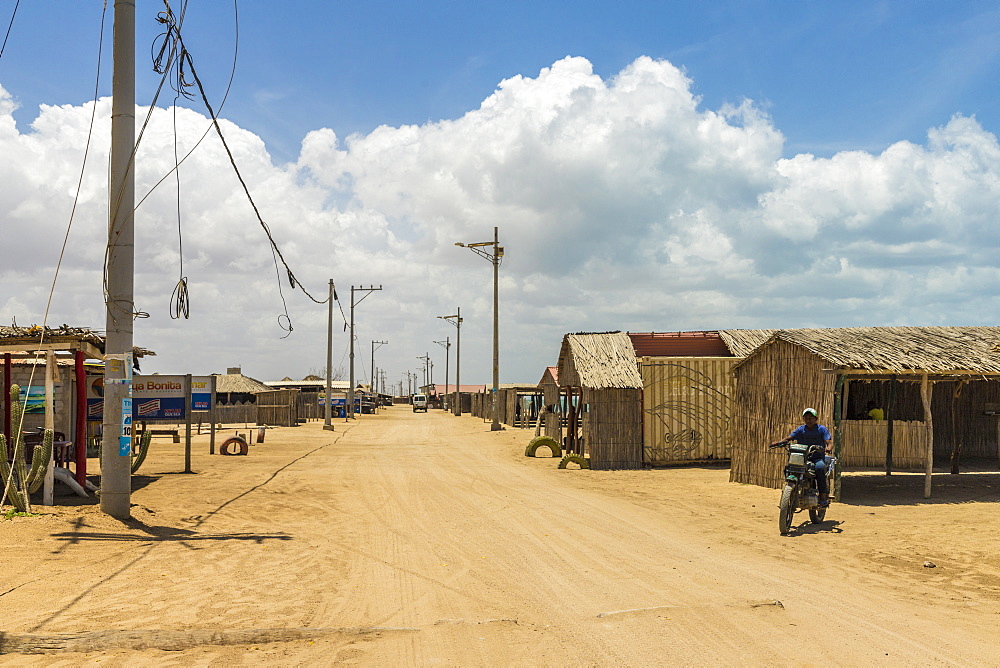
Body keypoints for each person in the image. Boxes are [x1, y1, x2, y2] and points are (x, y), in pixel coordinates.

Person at [771, 408, 834, 506]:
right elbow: (789, 438)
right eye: (806, 418)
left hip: (817, 457)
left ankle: (822, 496)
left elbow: (828, 442)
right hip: (802, 458)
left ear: (816, 419)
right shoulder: (801, 429)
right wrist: (779, 442)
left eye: (811, 418)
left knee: (820, 468)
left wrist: (828, 448)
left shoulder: (822, 429)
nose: (808, 420)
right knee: (789, 468)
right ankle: (788, 493)